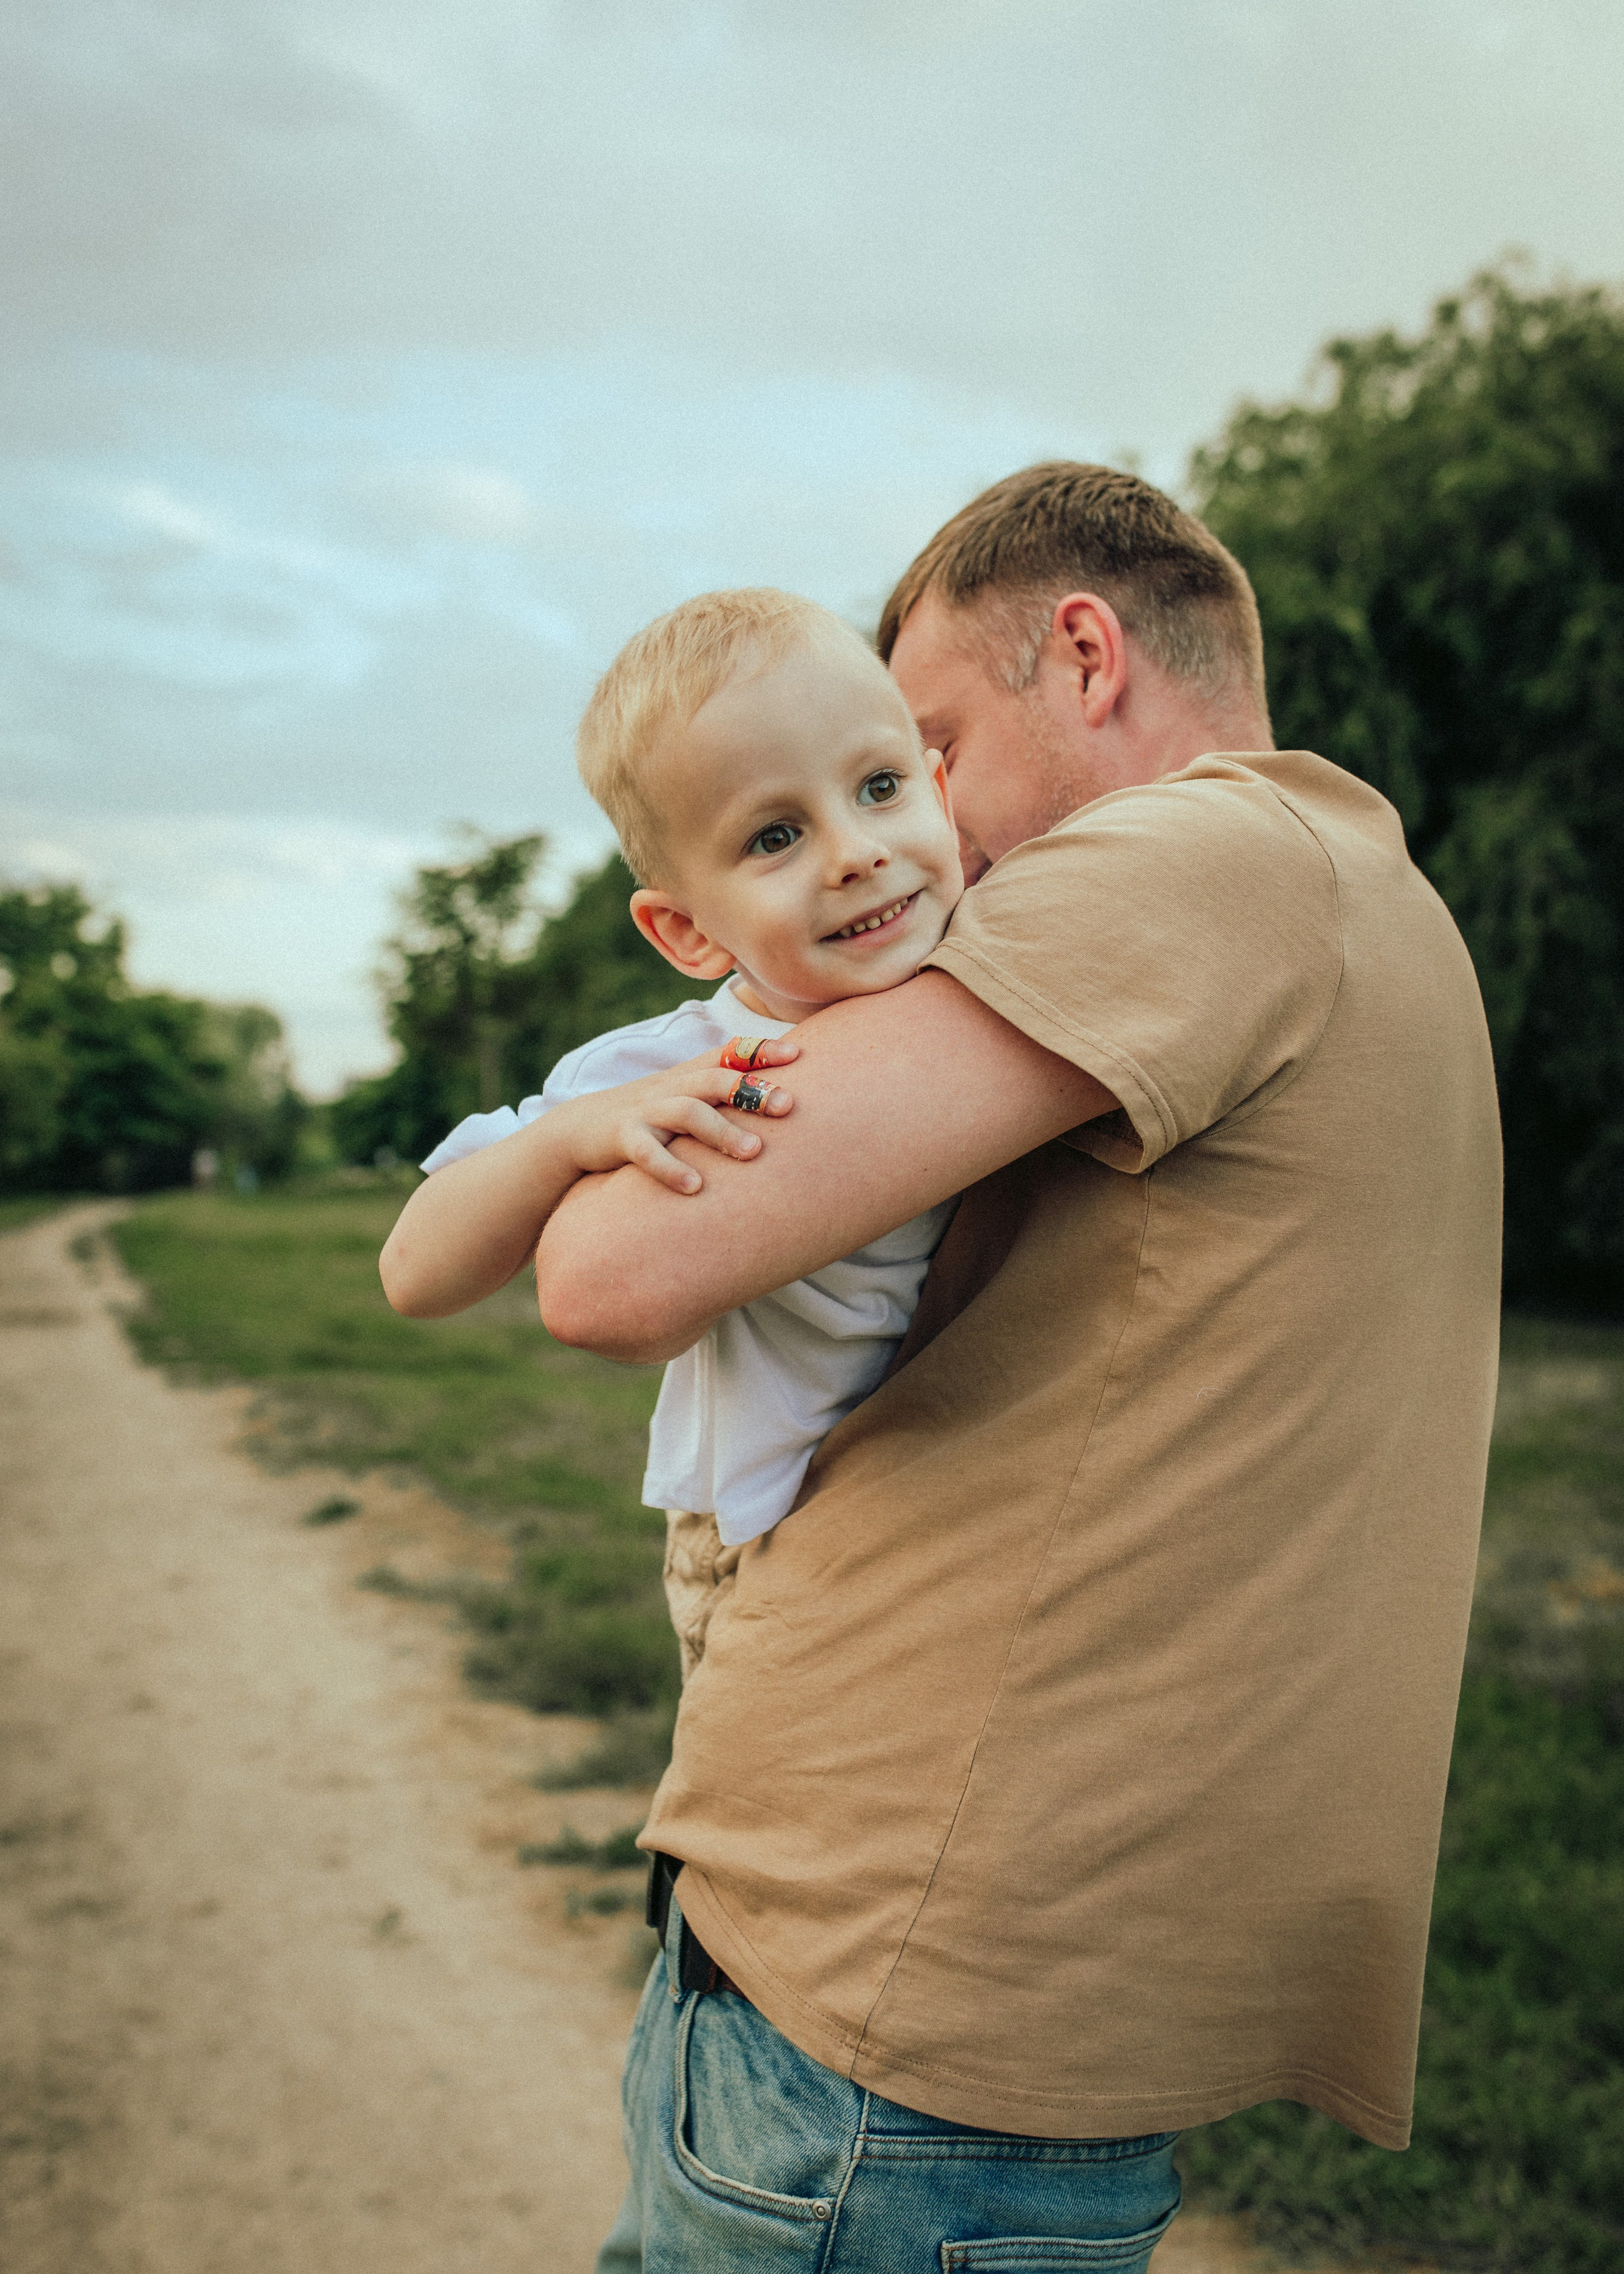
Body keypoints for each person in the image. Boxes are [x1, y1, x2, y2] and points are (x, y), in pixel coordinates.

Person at [533, 464, 1503, 2274]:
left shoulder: (1197, 854)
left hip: (898, 1986)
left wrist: (559, 1144)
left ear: (1084, 653)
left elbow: (615, 1264)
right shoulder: (1381, 896)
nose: (934, 838)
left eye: (931, 754)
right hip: (1035, 1989)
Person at [381, 588, 964, 1675]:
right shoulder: (680, 1062)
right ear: (688, 931)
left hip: (952, 1511)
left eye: (880, 787)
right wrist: (570, 1138)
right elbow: (415, 1272)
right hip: (765, 1531)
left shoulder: (1008, 959)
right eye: (775, 835)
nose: (856, 852)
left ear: (941, 789)